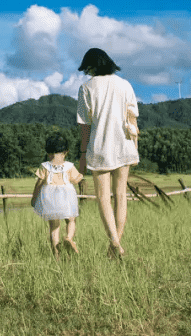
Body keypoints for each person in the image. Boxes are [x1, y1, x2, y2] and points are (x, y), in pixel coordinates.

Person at [75, 47, 139, 259]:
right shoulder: (125, 84)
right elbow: (133, 120)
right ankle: (116, 246)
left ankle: (114, 243)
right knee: (121, 195)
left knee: (103, 197)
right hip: (124, 145)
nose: (88, 73)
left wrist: (82, 154)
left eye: (88, 69)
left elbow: (85, 125)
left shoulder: (87, 88)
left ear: (92, 66)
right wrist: (135, 148)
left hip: (100, 146)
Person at [30, 132, 84, 259]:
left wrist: (34, 197)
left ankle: (56, 255)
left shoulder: (45, 166)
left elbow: (39, 183)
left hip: (50, 198)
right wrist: (82, 173)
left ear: (48, 152)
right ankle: (69, 238)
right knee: (71, 220)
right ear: (66, 151)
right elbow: (76, 180)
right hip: (67, 196)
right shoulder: (69, 166)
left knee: (54, 227)